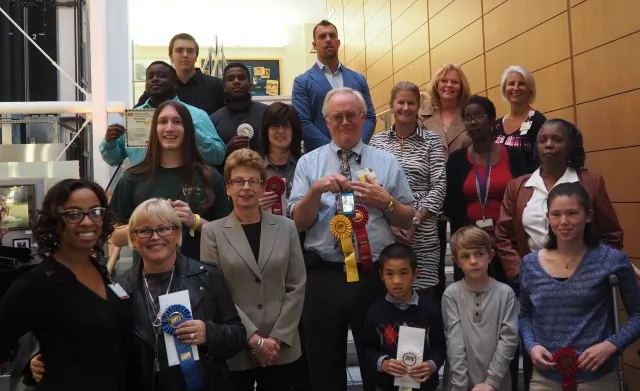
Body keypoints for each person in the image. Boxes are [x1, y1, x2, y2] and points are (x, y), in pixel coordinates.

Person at [30, 198, 246, 391]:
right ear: (133, 239)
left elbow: (237, 335)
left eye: (164, 229)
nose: (155, 237)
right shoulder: (117, 291)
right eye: (144, 231)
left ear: (178, 233)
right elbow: (96, 345)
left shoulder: (207, 277)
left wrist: (209, 333)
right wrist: (43, 359)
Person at [289, 87, 414, 391]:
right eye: (337, 117)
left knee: (380, 362)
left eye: (351, 115)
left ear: (363, 117)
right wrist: (315, 192)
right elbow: (297, 221)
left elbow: (406, 218)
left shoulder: (386, 162)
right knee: (324, 365)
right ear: (326, 121)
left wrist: (385, 201)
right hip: (323, 277)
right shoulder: (309, 163)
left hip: (372, 277)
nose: (344, 121)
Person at [495, 119, 623, 391]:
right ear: (536, 146)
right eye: (543, 140)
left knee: (588, 365)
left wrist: (592, 271)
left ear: (570, 146)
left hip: (585, 291)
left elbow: (612, 235)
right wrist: (522, 274)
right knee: (538, 357)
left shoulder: (590, 182)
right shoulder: (517, 186)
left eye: (557, 139)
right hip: (534, 285)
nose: (549, 145)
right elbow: (503, 234)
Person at [0, 179, 130, 391]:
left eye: (95, 211)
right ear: (54, 221)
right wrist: (31, 364)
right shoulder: (38, 283)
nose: (87, 222)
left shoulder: (99, 270)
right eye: (74, 214)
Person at [201, 149, 306, 390]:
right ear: (227, 188)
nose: (245, 187)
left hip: (281, 347)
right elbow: (216, 293)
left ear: (262, 187)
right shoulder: (212, 233)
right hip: (238, 345)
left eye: (253, 181)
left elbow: (297, 285)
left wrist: (275, 339)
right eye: (238, 181)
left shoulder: (287, 228)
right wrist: (254, 340)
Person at [519, 182, 640, 390]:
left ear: (589, 216)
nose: (563, 221)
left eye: (572, 213)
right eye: (555, 214)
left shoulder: (611, 260)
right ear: (548, 218)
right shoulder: (530, 264)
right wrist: (531, 346)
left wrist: (611, 345)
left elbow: (638, 314)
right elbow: (525, 315)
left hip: (598, 377)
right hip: (544, 378)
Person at [109, 100, 231, 262]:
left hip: (200, 277)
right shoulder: (132, 178)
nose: (169, 128)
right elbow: (115, 237)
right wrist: (149, 223)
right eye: (162, 121)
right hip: (148, 279)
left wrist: (194, 221)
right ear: (154, 130)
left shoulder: (209, 177)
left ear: (188, 130)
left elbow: (227, 235)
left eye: (177, 121)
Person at [369, 81, 446, 301]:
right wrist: (393, 221)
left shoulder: (432, 140)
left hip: (424, 234)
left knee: (423, 302)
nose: (405, 107)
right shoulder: (377, 141)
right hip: (388, 232)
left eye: (411, 103)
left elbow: (439, 186)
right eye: (400, 102)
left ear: (418, 106)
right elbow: (373, 185)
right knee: (391, 301)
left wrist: (413, 221)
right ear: (391, 106)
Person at [444, 95, 527, 282]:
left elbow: (524, 198)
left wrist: (500, 232)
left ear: (491, 120)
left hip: (508, 238)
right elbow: (451, 205)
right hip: (470, 242)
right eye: (467, 118)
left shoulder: (514, 155)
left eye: (479, 116)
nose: (473, 122)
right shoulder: (457, 160)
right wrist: (477, 235)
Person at [101, 61, 226, 167]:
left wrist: (192, 131)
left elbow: (218, 156)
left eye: (161, 76)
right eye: (150, 77)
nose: (155, 79)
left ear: (174, 83)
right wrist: (109, 141)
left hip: (186, 187)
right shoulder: (133, 118)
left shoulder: (196, 115)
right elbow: (114, 160)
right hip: (143, 188)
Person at [418, 63, 472, 308]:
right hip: (431, 195)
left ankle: (465, 308)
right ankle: (437, 314)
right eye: (445, 81)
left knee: (464, 253)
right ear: (436, 84)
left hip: (462, 195)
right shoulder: (421, 114)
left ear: (461, 87)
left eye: (455, 81)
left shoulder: (470, 114)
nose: (449, 85)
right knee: (433, 260)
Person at [359, 243, 445, 391]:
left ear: (415, 274)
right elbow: (366, 349)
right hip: (386, 386)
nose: (397, 281)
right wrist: (383, 363)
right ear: (381, 275)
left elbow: (440, 348)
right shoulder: (375, 311)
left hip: (424, 386)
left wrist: (431, 365)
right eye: (390, 273)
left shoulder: (429, 309)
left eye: (404, 273)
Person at [442, 226, 518, 391]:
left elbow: (509, 339)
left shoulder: (506, 293)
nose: (473, 261)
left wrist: (492, 382)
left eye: (479, 254)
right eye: (465, 256)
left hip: (497, 384)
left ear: (490, 256)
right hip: (459, 383)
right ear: (456, 261)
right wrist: (460, 386)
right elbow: (455, 342)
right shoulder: (451, 294)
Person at [292, 20, 376, 152]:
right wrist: (332, 150)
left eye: (332, 36)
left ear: (338, 42)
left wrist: (357, 145)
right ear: (314, 45)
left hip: (358, 156)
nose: (328, 40)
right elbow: (302, 122)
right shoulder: (302, 82)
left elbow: (369, 116)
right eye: (322, 36)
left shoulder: (358, 79)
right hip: (320, 157)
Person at [137, 33, 226, 115]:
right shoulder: (158, 87)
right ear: (171, 56)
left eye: (190, 51)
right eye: (179, 51)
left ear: (196, 56)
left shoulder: (217, 86)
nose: (185, 55)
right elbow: (135, 117)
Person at [209, 62, 269, 169]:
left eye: (241, 78)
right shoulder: (213, 119)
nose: (236, 81)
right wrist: (227, 149)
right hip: (227, 180)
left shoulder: (267, 112)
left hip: (264, 177)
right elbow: (210, 157)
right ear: (224, 87)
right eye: (231, 79)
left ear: (250, 85)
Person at [494, 66, 547, 173]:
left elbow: (544, 161)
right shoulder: (497, 124)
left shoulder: (538, 121)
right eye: (511, 83)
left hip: (527, 186)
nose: (516, 88)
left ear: (529, 89)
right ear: (505, 88)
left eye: (521, 84)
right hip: (500, 187)